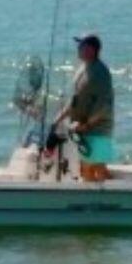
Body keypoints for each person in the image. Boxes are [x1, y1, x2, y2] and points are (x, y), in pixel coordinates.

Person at [56, 31, 115, 181]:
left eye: (81, 46)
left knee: (93, 171)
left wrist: (85, 126)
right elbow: (75, 100)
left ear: (91, 49)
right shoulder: (83, 68)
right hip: (83, 130)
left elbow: (103, 107)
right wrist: (58, 119)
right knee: (86, 170)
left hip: (98, 130)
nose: (78, 49)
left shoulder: (100, 73)